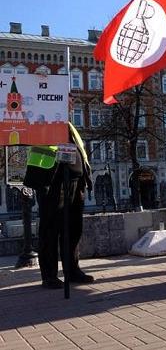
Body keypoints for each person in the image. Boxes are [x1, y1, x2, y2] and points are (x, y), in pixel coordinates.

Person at [23, 98, 94, 290]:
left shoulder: (68, 124)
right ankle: (50, 276)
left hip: (74, 181)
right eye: (66, 101)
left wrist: (84, 178)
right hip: (52, 180)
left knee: (73, 229)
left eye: (70, 102)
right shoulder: (43, 120)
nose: (70, 105)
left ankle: (72, 270)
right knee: (51, 229)